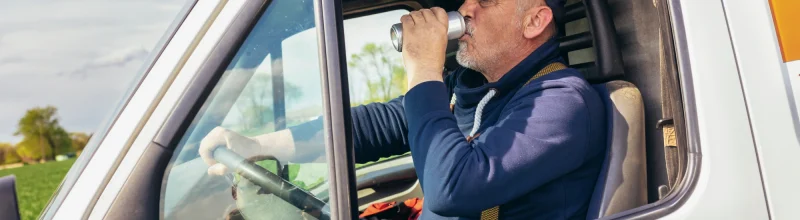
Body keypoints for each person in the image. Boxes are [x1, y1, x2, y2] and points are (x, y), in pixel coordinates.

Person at [199, 0, 607, 219]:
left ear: (535, 21)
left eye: (485, 0)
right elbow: (370, 128)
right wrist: (255, 143)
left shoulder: (562, 102)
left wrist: (423, 67)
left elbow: (455, 190)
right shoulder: (470, 89)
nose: (466, 9)